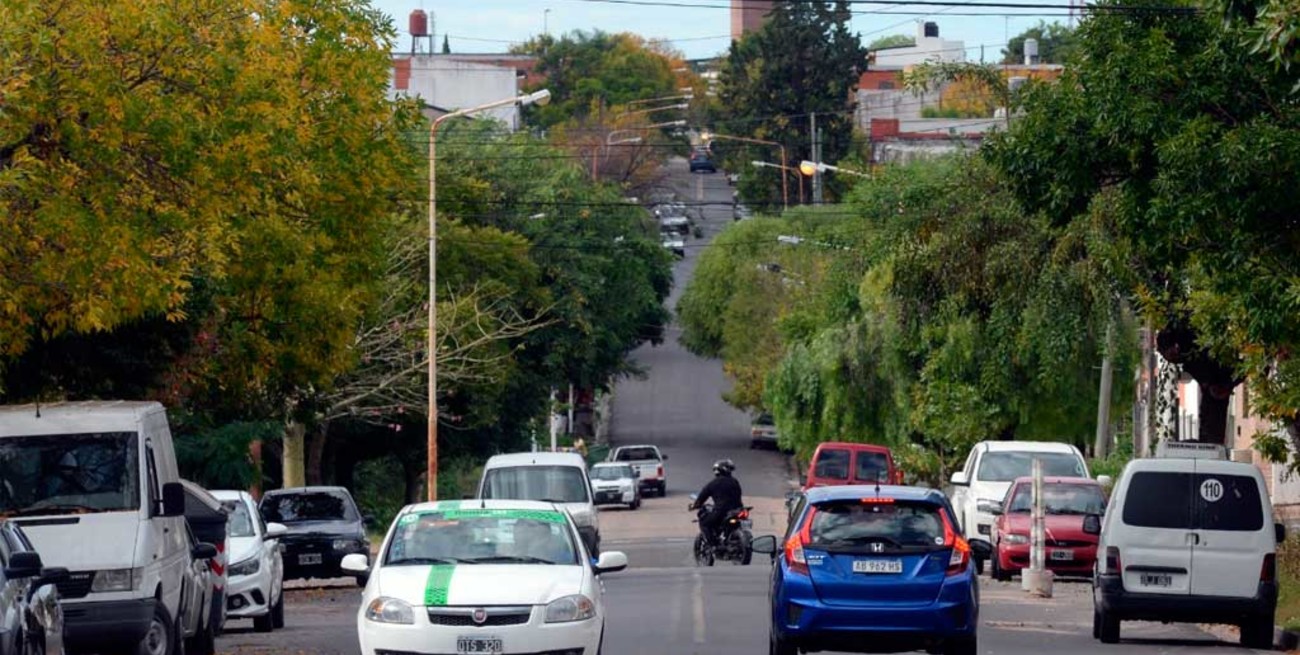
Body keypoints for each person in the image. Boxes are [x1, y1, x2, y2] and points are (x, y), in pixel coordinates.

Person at [690, 459, 743, 548]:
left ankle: (713, 545)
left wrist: (695, 505)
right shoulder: (735, 481)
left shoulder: (713, 484)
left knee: (705, 523)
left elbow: (701, 498)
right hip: (738, 510)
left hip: (722, 511)